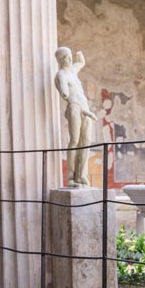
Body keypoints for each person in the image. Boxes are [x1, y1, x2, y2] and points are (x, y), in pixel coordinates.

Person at [54, 47, 96, 187]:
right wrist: (64, 90)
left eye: (70, 56)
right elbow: (65, 93)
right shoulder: (61, 75)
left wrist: (79, 53)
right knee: (75, 140)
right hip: (74, 107)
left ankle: (82, 175)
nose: (70, 59)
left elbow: (81, 62)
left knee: (87, 141)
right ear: (60, 60)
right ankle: (71, 178)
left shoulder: (72, 71)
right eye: (67, 57)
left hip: (85, 107)